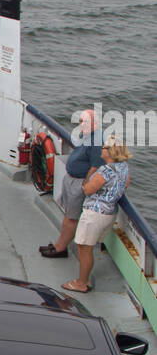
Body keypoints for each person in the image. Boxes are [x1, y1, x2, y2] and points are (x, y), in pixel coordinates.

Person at [62, 136, 131, 294]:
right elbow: (125, 184)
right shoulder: (124, 167)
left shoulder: (106, 170)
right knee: (88, 246)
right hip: (109, 213)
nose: (102, 149)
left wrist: (87, 181)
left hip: (94, 214)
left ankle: (81, 283)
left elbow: (88, 189)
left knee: (84, 247)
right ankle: (83, 280)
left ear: (112, 152)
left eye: (105, 147)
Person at [39, 108, 105, 259]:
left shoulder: (97, 141)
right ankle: (59, 244)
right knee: (68, 214)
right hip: (71, 179)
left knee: (71, 217)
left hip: (79, 183)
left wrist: (85, 185)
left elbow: (96, 166)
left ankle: (60, 248)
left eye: (86, 122)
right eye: (81, 121)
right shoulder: (86, 135)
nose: (82, 124)